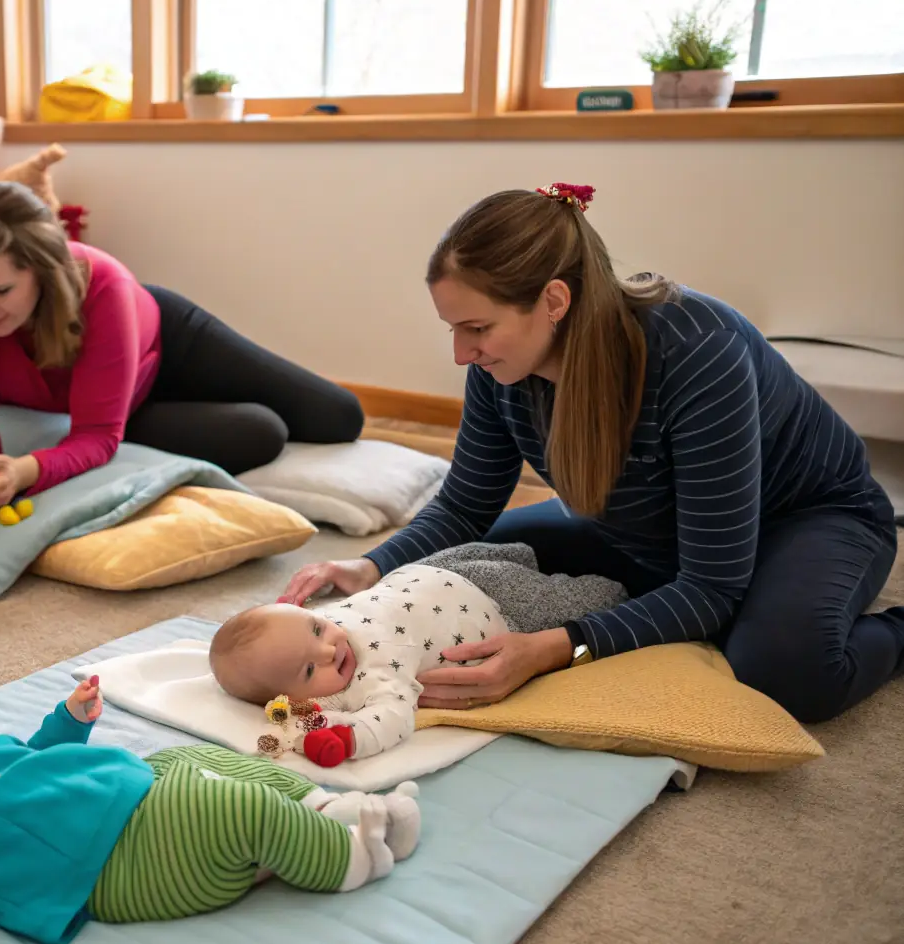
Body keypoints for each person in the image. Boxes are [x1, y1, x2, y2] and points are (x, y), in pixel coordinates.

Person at [279, 183, 903, 725]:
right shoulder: (503, 371)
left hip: (807, 520)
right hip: (650, 532)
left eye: (478, 328)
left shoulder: (697, 351)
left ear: (553, 301)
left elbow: (712, 585)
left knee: (783, 671)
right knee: (465, 561)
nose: (462, 354)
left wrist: (560, 649)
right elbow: (466, 506)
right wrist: (370, 565)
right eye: (454, 329)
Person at [0, 681, 420, 944]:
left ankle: (323, 806)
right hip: (122, 867)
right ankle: (348, 856)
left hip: (141, 800)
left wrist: (69, 721)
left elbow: (39, 756)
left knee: (192, 761)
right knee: (234, 806)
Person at [0, 181, 363, 515]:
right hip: (122, 403)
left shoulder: (104, 287)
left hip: (167, 342)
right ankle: (138, 419)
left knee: (340, 416)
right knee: (262, 433)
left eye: (1, 291)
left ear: (43, 271)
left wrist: (23, 473)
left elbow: (94, 438)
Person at [210, 552, 627, 767]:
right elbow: (391, 719)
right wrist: (345, 737)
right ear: (294, 696)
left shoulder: (318, 625)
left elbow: (287, 632)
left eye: (316, 629)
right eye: (308, 670)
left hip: (431, 568)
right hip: (500, 606)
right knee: (607, 589)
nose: (328, 649)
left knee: (525, 545)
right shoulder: (370, 680)